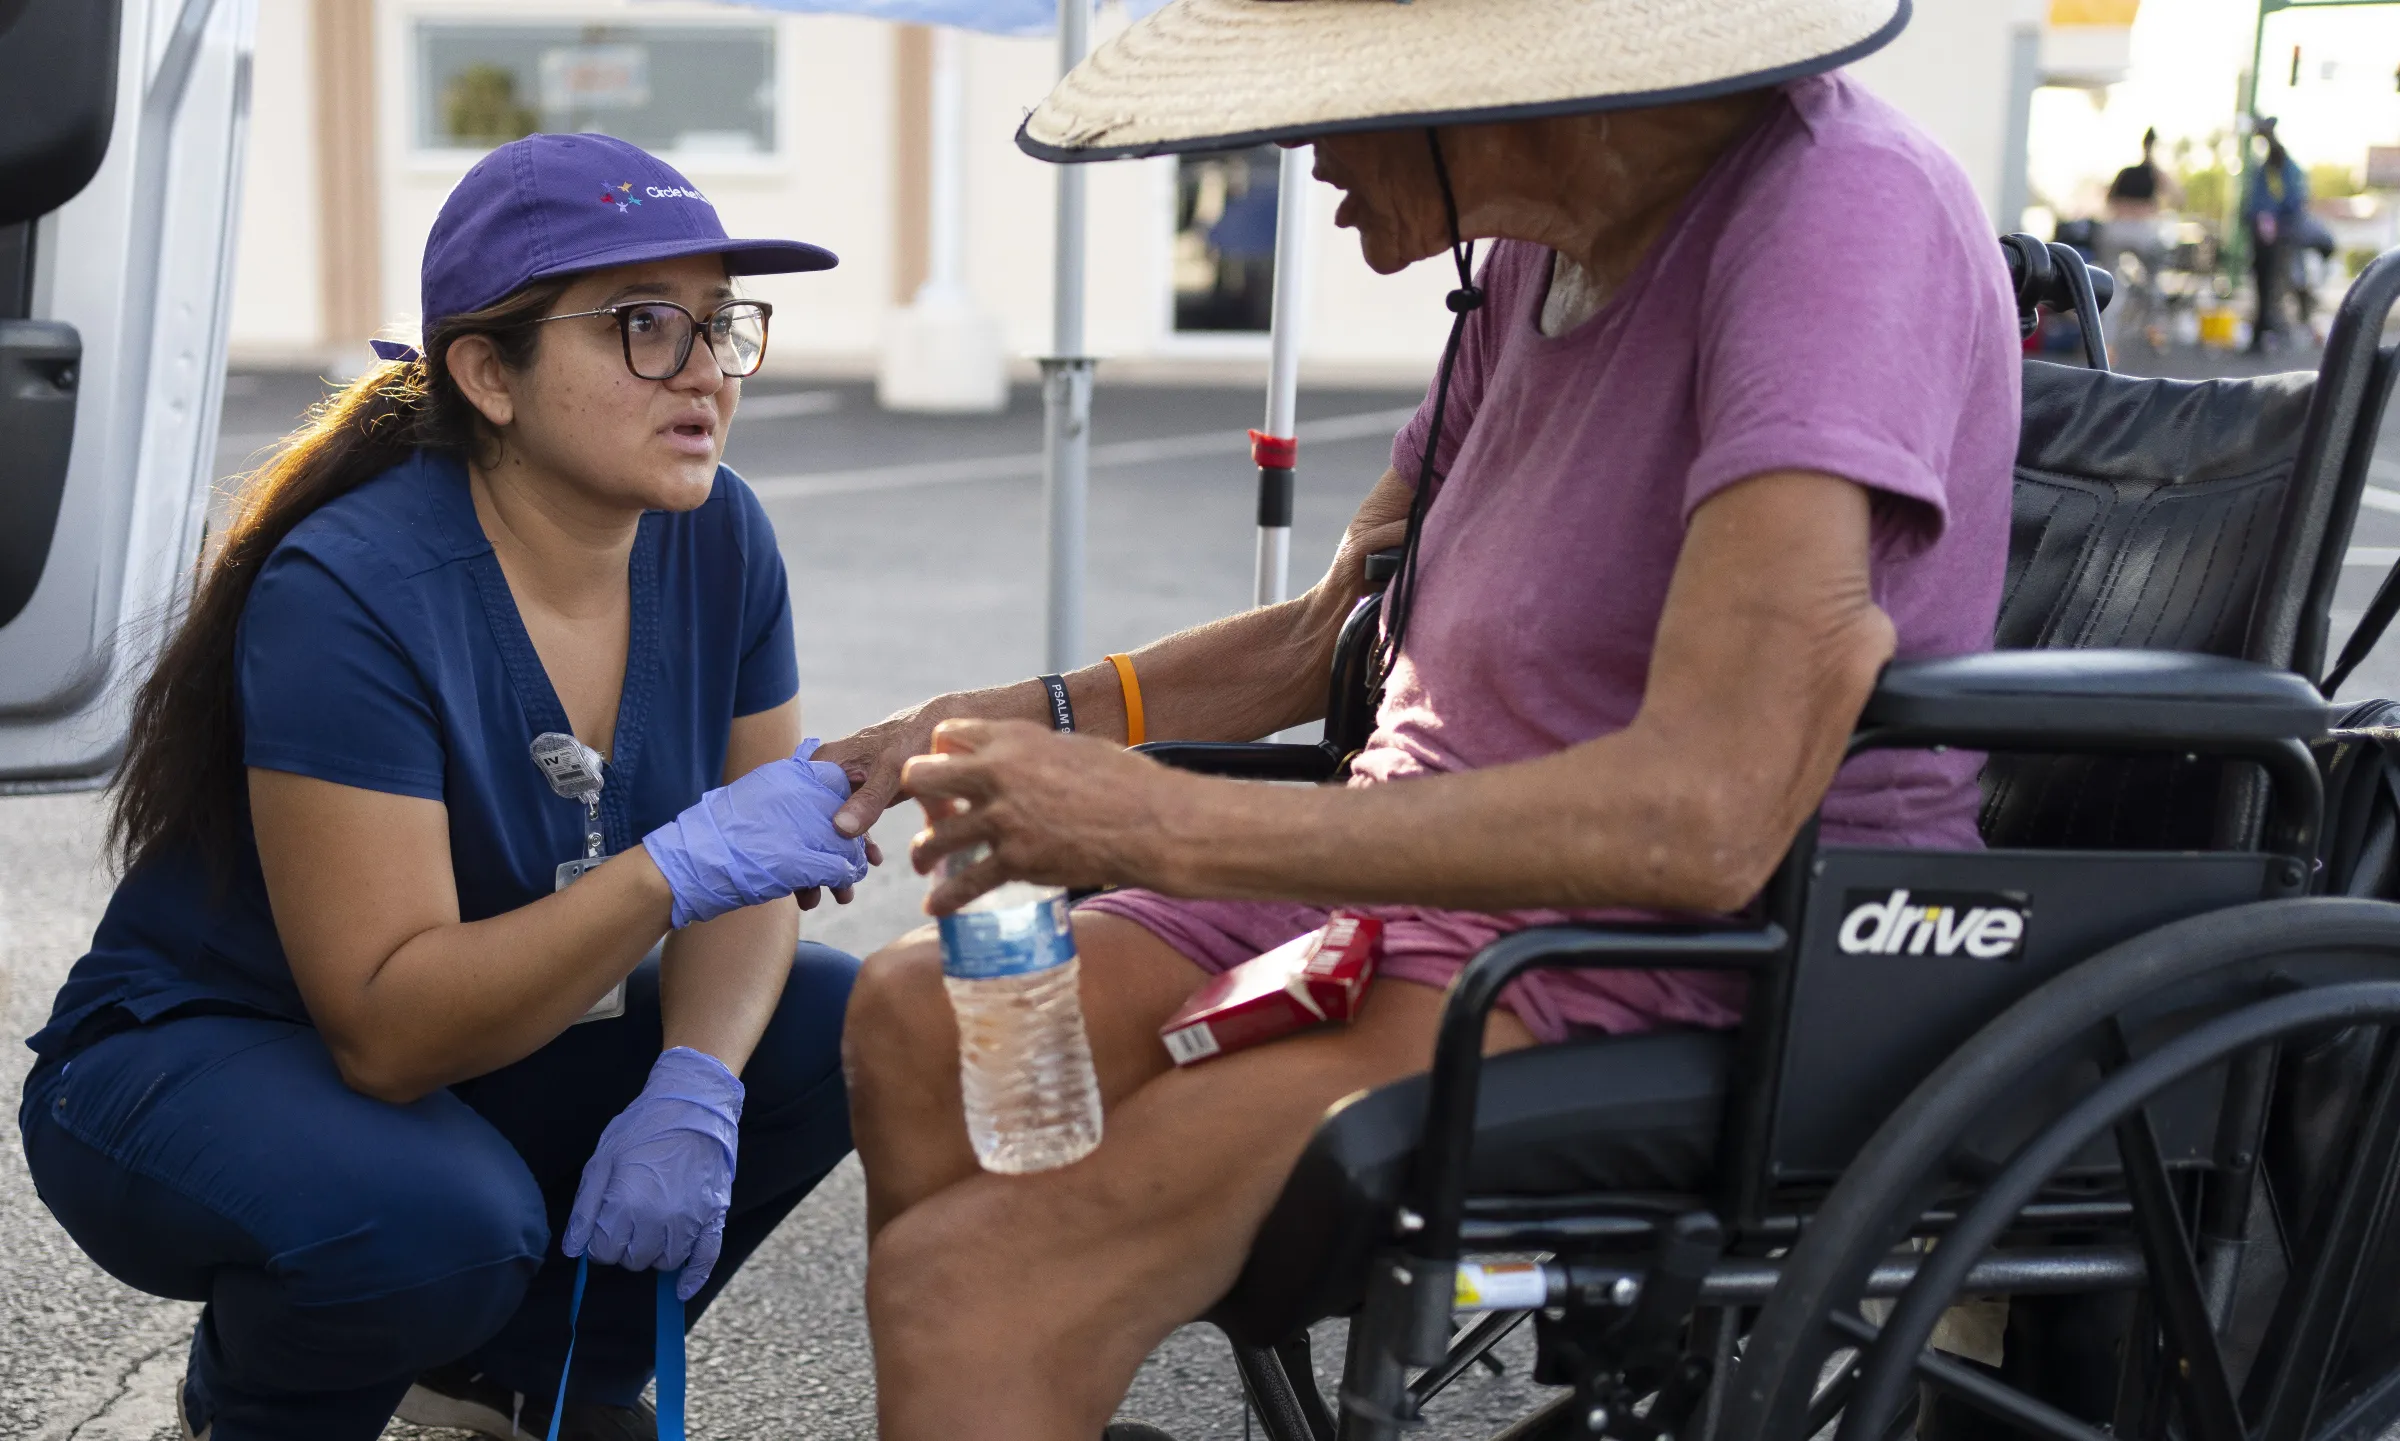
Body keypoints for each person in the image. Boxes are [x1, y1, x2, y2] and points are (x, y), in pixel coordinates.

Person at [817, 0, 2017, 1435]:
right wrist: (1009, 715)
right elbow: (1334, 630)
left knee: (975, 1286)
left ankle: (1031, 1324)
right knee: (914, 1013)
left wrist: (1154, 818)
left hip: (1658, 952)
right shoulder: (1530, 261)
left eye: (1333, 100)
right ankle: (1041, 1359)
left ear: (1499, 81)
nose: (1301, 154)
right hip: (1408, 882)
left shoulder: (1834, 207)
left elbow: (1704, 819)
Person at [17, 133, 876, 1441]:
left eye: (720, 324)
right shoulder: (355, 589)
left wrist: (697, 1083)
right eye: (646, 327)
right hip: (203, 1063)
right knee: (439, 1223)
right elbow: (389, 1029)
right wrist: (673, 866)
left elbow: (751, 876)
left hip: (460, 1055)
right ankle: (252, 1409)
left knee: (828, 1026)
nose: (706, 370)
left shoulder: (719, 537)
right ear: (488, 372)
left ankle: (515, 1385)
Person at [2245, 119, 2311, 351]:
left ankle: (2274, 331)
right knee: (2265, 285)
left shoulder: (2285, 170)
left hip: (2282, 238)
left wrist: (2272, 220)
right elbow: (2254, 205)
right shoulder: (2266, 171)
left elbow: (2294, 204)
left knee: (2278, 285)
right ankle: (2263, 331)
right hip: (2266, 239)